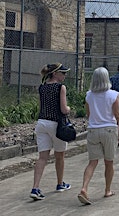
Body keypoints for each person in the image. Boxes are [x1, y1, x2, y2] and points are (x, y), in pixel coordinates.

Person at [77, 67, 119, 205]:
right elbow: (117, 114)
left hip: (93, 130)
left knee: (92, 162)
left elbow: (89, 114)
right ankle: (107, 190)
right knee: (109, 162)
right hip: (109, 129)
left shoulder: (89, 95)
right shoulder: (114, 94)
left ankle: (84, 188)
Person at [30, 63, 71, 200]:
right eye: (63, 73)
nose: (64, 75)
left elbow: (41, 107)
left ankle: (35, 188)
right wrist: (69, 109)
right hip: (56, 124)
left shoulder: (42, 87)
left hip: (42, 123)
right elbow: (64, 109)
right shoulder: (60, 87)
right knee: (59, 155)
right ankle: (60, 184)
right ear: (55, 73)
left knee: (42, 157)